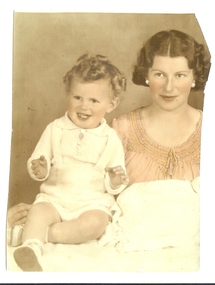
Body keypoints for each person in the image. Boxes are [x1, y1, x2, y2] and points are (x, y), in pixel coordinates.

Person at [8, 29, 211, 257]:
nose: (169, 87)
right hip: (130, 251)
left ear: (196, 77)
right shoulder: (120, 129)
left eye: (180, 75)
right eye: (159, 74)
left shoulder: (209, 130)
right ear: (146, 75)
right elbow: (81, 188)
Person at [10, 53, 129, 271]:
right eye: (77, 98)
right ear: (69, 94)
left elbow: (117, 182)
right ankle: (31, 247)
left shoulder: (111, 138)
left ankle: (41, 234)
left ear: (111, 104)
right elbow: (37, 162)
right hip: (55, 198)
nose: (84, 106)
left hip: (90, 202)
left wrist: (114, 180)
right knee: (39, 211)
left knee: (96, 224)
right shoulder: (55, 128)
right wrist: (40, 167)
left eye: (94, 100)